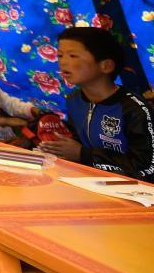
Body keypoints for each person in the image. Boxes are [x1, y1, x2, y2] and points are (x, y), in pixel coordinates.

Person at [39, 27, 154, 180]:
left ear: (106, 66)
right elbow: (77, 143)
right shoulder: (73, 100)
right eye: (60, 55)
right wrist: (57, 148)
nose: (63, 62)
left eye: (73, 56)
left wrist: (83, 154)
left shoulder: (134, 109)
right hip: (88, 182)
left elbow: (147, 168)